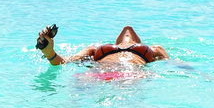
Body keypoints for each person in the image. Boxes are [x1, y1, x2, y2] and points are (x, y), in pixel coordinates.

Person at [36, 25, 169, 68]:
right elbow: (64, 61)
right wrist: (49, 52)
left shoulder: (156, 49)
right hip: (111, 74)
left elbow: (176, 64)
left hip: (130, 74)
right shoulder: (93, 49)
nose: (127, 29)